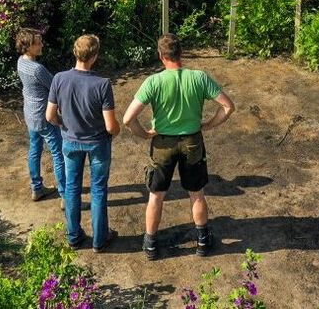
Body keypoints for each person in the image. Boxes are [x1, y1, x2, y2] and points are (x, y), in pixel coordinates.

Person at [123, 34, 235, 260]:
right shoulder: (199, 77)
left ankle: (151, 244)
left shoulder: (153, 82)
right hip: (193, 142)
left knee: (156, 195)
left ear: (160, 56)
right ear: (180, 53)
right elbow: (227, 107)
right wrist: (207, 125)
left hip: (162, 143)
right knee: (196, 193)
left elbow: (127, 119)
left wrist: (145, 134)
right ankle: (203, 241)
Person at [46, 34, 120, 252]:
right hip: (97, 143)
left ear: (75, 52)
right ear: (94, 56)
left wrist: (65, 124)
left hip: (70, 141)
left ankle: (74, 236)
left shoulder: (59, 78)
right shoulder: (102, 84)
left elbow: (49, 116)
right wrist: (116, 131)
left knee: (72, 188)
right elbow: (110, 126)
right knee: (98, 190)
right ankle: (99, 240)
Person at [15, 28, 65, 204]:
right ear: (28, 46)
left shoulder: (21, 62)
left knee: (35, 150)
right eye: (38, 43)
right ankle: (65, 196)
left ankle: (36, 188)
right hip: (44, 117)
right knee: (58, 154)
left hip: (30, 114)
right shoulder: (37, 69)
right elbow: (55, 86)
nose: (42, 44)